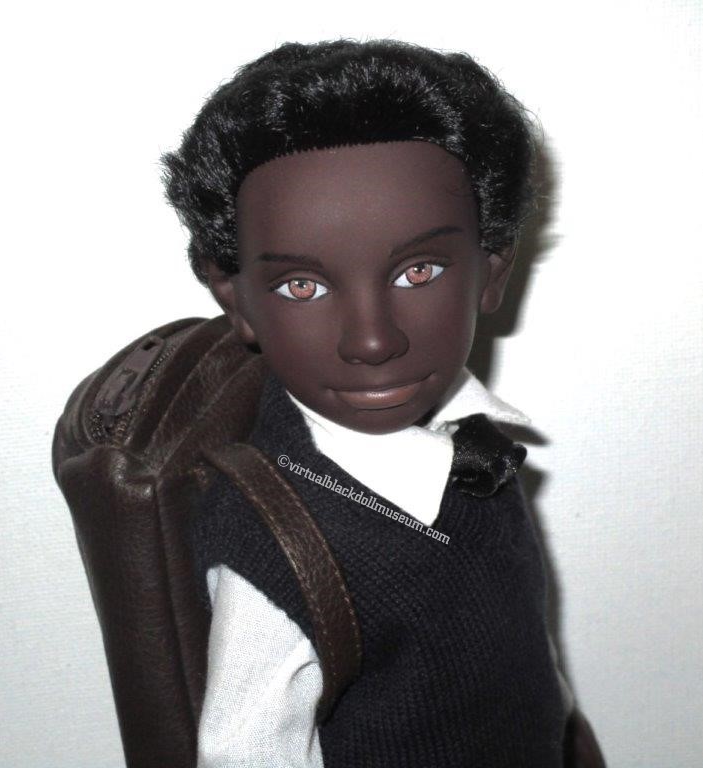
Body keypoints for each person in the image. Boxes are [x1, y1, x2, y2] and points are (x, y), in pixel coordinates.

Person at [162, 38, 605, 767]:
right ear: (235, 300)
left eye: (418, 271)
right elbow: (249, 750)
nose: (371, 341)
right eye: (302, 286)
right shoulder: (277, 542)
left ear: (491, 273)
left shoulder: (477, 449)